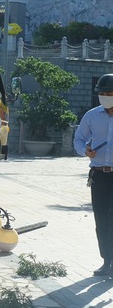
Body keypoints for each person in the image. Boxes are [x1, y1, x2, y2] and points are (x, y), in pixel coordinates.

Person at [74, 73, 113, 276]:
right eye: (103, 93)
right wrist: (85, 151)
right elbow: (79, 139)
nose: (106, 97)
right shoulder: (91, 116)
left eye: (110, 93)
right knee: (102, 220)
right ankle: (107, 261)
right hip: (99, 175)